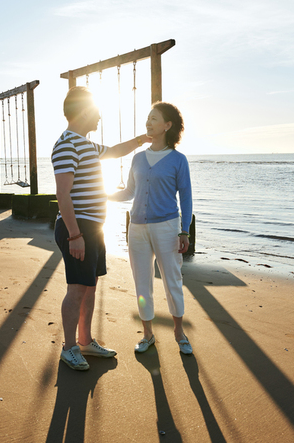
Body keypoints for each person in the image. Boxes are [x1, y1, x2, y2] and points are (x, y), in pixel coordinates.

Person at [52, 86, 151, 371]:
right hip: (78, 228)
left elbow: (115, 151)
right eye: (95, 112)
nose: (99, 117)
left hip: (92, 228)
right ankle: (69, 347)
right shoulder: (66, 144)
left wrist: (140, 140)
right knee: (77, 289)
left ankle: (84, 340)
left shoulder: (85, 144)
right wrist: (75, 235)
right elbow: (63, 194)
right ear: (82, 112)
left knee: (90, 286)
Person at [109, 102, 193, 355]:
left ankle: (179, 333)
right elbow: (130, 192)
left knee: (173, 280)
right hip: (137, 228)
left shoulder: (179, 160)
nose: (148, 122)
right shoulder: (137, 158)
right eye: (148, 118)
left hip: (167, 227)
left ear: (167, 125)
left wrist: (184, 230)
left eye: (154, 119)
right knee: (142, 282)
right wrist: (102, 195)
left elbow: (186, 198)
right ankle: (147, 335)